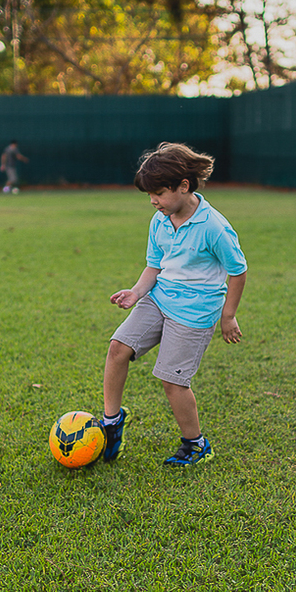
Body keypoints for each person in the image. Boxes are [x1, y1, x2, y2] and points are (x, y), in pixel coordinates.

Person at [98, 142, 248, 467]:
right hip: (159, 298)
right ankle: (110, 423)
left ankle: (196, 444)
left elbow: (238, 272)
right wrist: (137, 292)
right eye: (149, 195)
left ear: (183, 186)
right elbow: (155, 264)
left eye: (159, 193)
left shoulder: (215, 227)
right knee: (117, 348)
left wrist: (229, 316)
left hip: (194, 312)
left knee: (172, 380)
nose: (153, 201)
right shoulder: (161, 219)